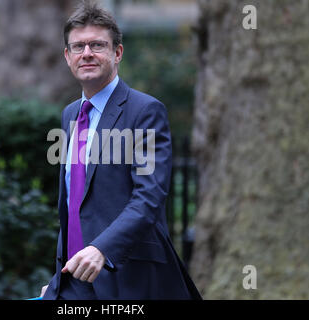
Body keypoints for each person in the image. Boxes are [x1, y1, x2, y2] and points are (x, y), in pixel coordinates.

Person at [41, 0, 201, 300]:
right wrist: (59, 281)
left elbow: (149, 197)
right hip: (73, 279)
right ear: (67, 56)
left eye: (97, 45)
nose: (86, 53)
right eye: (78, 47)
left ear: (118, 53)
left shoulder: (145, 111)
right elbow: (73, 205)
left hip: (127, 278)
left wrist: (102, 249)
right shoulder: (70, 115)